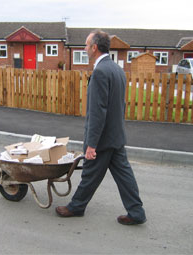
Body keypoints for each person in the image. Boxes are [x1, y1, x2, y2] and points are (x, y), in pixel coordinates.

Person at [55, 30, 146, 225]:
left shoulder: (100, 72)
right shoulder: (116, 69)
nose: (84, 49)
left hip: (102, 139)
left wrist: (91, 144)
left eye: (86, 45)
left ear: (94, 48)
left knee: (90, 174)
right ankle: (136, 212)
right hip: (116, 136)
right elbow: (118, 106)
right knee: (124, 176)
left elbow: (98, 111)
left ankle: (76, 207)